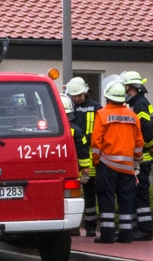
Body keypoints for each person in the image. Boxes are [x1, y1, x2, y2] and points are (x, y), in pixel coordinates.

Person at [91, 80, 144, 244]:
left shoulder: (102, 114)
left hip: (106, 165)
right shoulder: (133, 116)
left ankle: (107, 236)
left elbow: (96, 142)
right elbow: (139, 142)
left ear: (108, 97)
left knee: (106, 199)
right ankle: (126, 235)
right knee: (126, 201)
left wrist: (96, 160)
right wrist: (136, 160)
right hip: (127, 168)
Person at [121, 70, 153, 241]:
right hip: (141, 157)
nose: (125, 91)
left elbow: (147, 130)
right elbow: (152, 126)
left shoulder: (139, 104)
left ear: (131, 87)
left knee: (141, 194)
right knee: (137, 193)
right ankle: (138, 228)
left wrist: (150, 146)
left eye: (126, 87)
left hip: (142, 159)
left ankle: (144, 229)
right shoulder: (141, 102)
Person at [66, 76, 103, 237]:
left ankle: (90, 226)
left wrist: (90, 138)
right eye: (74, 96)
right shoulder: (69, 107)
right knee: (73, 194)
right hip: (75, 156)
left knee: (91, 193)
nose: (76, 98)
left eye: (79, 95)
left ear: (85, 92)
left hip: (93, 158)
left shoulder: (96, 108)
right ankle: (75, 225)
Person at [61, 94, 92, 187]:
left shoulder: (46, 130)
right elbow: (83, 151)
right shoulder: (77, 131)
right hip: (71, 168)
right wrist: (85, 170)